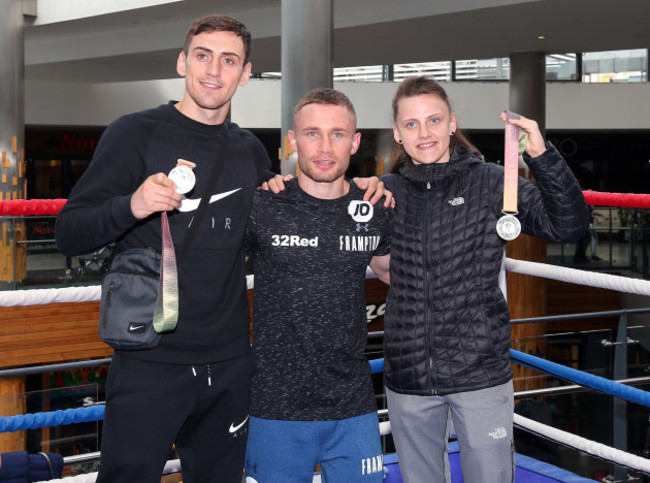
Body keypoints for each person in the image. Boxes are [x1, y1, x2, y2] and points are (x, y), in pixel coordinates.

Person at [55, 15, 388, 482]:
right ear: (182, 62)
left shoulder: (249, 151)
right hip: (150, 359)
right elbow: (70, 232)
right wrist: (131, 206)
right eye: (203, 56)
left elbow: (306, 200)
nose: (214, 70)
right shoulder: (135, 132)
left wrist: (370, 186)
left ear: (246, 73)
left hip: (230, 365)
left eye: (228, 60)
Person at [372, 76, 590, 483]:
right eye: (412, 124)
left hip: (479, 373)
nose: (425, 133)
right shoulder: (385, 192)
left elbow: (570, 225)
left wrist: (540, 154)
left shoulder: (491, 181)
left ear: (452, 123)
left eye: (434, 120)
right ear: (398, 134)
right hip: (407, 376)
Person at [243, 88, 392, 483]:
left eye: (338, 134)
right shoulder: (263, 205)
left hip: (353, 404)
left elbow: (396, 272)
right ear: (293, 141)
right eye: (311, 133)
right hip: (274, 405)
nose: (325, 147)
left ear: (355, 142)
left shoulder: (376, 208)